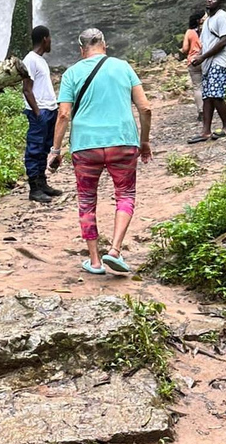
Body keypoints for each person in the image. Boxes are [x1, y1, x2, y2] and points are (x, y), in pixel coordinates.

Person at [47, 28, 152, 275]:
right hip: (123, 142)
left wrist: (55, 150)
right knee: (125, 195)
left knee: (86, 201)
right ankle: (114, 251)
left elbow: (63, 114)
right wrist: (144, 142)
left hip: (86, 146)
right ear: (104, 44)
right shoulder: (123, 67)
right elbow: (145, 108)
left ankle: (94, 261)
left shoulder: (71, 73)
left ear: (80, 49)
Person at [22, 25, 62, 203]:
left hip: (49, 110)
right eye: (50, 38)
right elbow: (27, 89)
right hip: (40, 112)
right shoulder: (30, 60)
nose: (51, 42)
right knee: (35, 149)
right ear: (45, 39)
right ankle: (34, 189)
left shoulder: (40, 60)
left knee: (44, 149)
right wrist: (38, 113)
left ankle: (42, 183)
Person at [187, 0, 226, 143]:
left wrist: (202, 57)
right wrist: (199, 55)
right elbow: (207, 43)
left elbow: (224, 40)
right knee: (207, 97)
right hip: (208, 63)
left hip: (219, 62)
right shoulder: (207, 21)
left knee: (215, 94)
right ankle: (205, 131)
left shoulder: (222, 16)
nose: (210, 0)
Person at [181, 11, 204, 122]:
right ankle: (211, 109)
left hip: (194, 61)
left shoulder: (189, 32)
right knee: (208, 85)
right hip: (206, 58)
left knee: (197, 86)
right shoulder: (206, 29)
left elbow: (185, 48)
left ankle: (201, 111)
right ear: (199, 20)